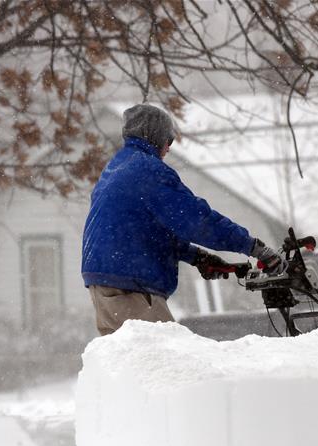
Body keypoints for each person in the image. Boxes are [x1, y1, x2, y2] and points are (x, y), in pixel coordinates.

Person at [81, 103, 284, 335]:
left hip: (106, 282)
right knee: (164, 361)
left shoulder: (118, 167)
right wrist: (253, 247)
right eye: (169, 139)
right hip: (130, 285)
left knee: (130, 363)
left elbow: (143, 231)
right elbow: (197, 221)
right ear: (156, 137)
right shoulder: (149, 170)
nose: (168, 148)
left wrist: (197, 257)